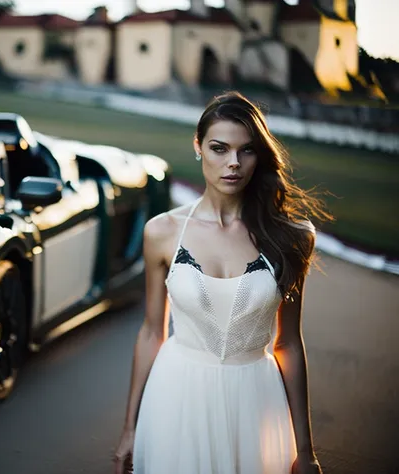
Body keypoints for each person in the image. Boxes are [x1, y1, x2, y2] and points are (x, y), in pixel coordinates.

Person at [114, 91, 331, 474]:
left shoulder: (291, 237)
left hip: (256, 401)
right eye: (219, 148)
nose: (233, 163)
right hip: (175, 399)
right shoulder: (163, 232)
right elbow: (152, 333)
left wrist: (306, 449)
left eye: (246, 151)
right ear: (198, 146)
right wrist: (129, 428)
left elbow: (289, 344)